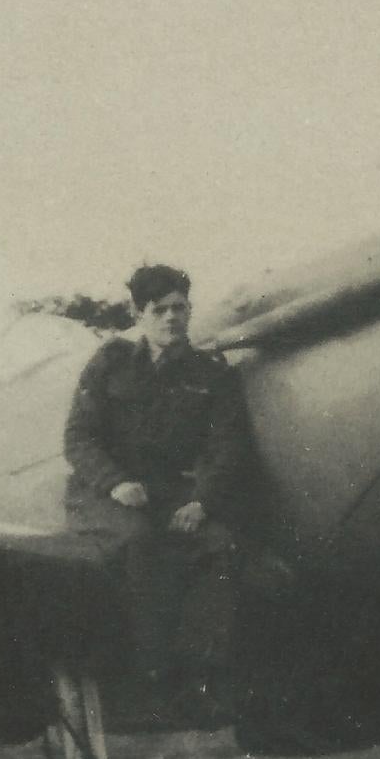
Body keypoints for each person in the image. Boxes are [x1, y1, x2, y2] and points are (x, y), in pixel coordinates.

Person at [63, 263, 253, 708]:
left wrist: (202, 503)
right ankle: (147, 669)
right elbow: (78, 437)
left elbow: (227, 447)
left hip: (172, 493)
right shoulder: (110, 362)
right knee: (137, 540)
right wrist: (116, 483)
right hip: (102, 493)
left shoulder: (212, 372)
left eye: (180, 308)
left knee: (220, 546)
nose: (171, 318)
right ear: (139, 313)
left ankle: (199, 672)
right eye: (159, 309)